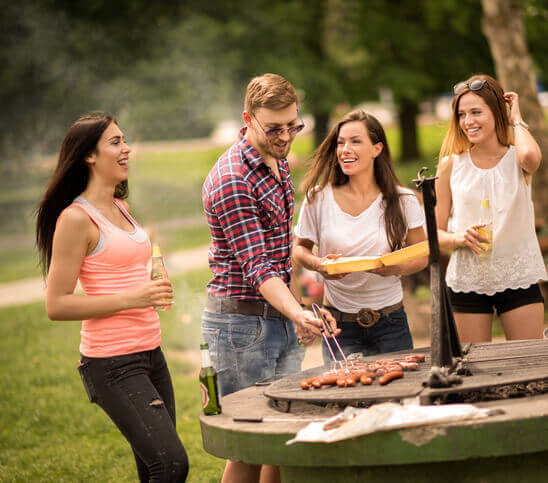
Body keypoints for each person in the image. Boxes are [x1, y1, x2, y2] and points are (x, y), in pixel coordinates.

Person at [36, 114, 189, 482]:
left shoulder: (120, 207)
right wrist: (132, 297)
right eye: (116, 142)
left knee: (152, 466)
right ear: (89, 155)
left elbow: (119, 267)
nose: (127, 149)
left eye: (125, 140)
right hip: (112, 363)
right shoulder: (76, 219)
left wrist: (151, 276)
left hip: (151, 354)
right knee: (171, 465)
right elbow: (56, 305)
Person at [201, 73, 337, 483]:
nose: (285, 137)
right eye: (274, 128)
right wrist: (297, 313)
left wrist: (302, 308)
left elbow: (279, 255)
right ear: (248, 119)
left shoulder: (276, 162)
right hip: (240, 327)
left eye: (292, 125)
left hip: (273, 316)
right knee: (249, 445)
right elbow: (258, 269)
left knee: (280, 437)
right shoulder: (233, 180)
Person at [293, 110, 427, 362]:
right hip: (339, 325)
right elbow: (299, 249)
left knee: (397, 396)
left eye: (355, 141)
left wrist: (396, 267)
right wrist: (319, 265)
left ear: (377, 148)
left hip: (391, 323)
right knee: (345, 398)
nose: (345, 149)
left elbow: (421, 254)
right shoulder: (318, 198)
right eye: (340, 142)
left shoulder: (403, 200)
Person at [434, 74, 548, 343]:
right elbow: (434, 233)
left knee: (528, 362)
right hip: (468, 280)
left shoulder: (517, 159)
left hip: (518, 276)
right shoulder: (451, 165)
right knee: (476, 368)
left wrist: (515, 118)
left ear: (497, 112)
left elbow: (531, 157)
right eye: (462, 114)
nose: (468, 121)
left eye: (476, 112)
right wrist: (458, 238)